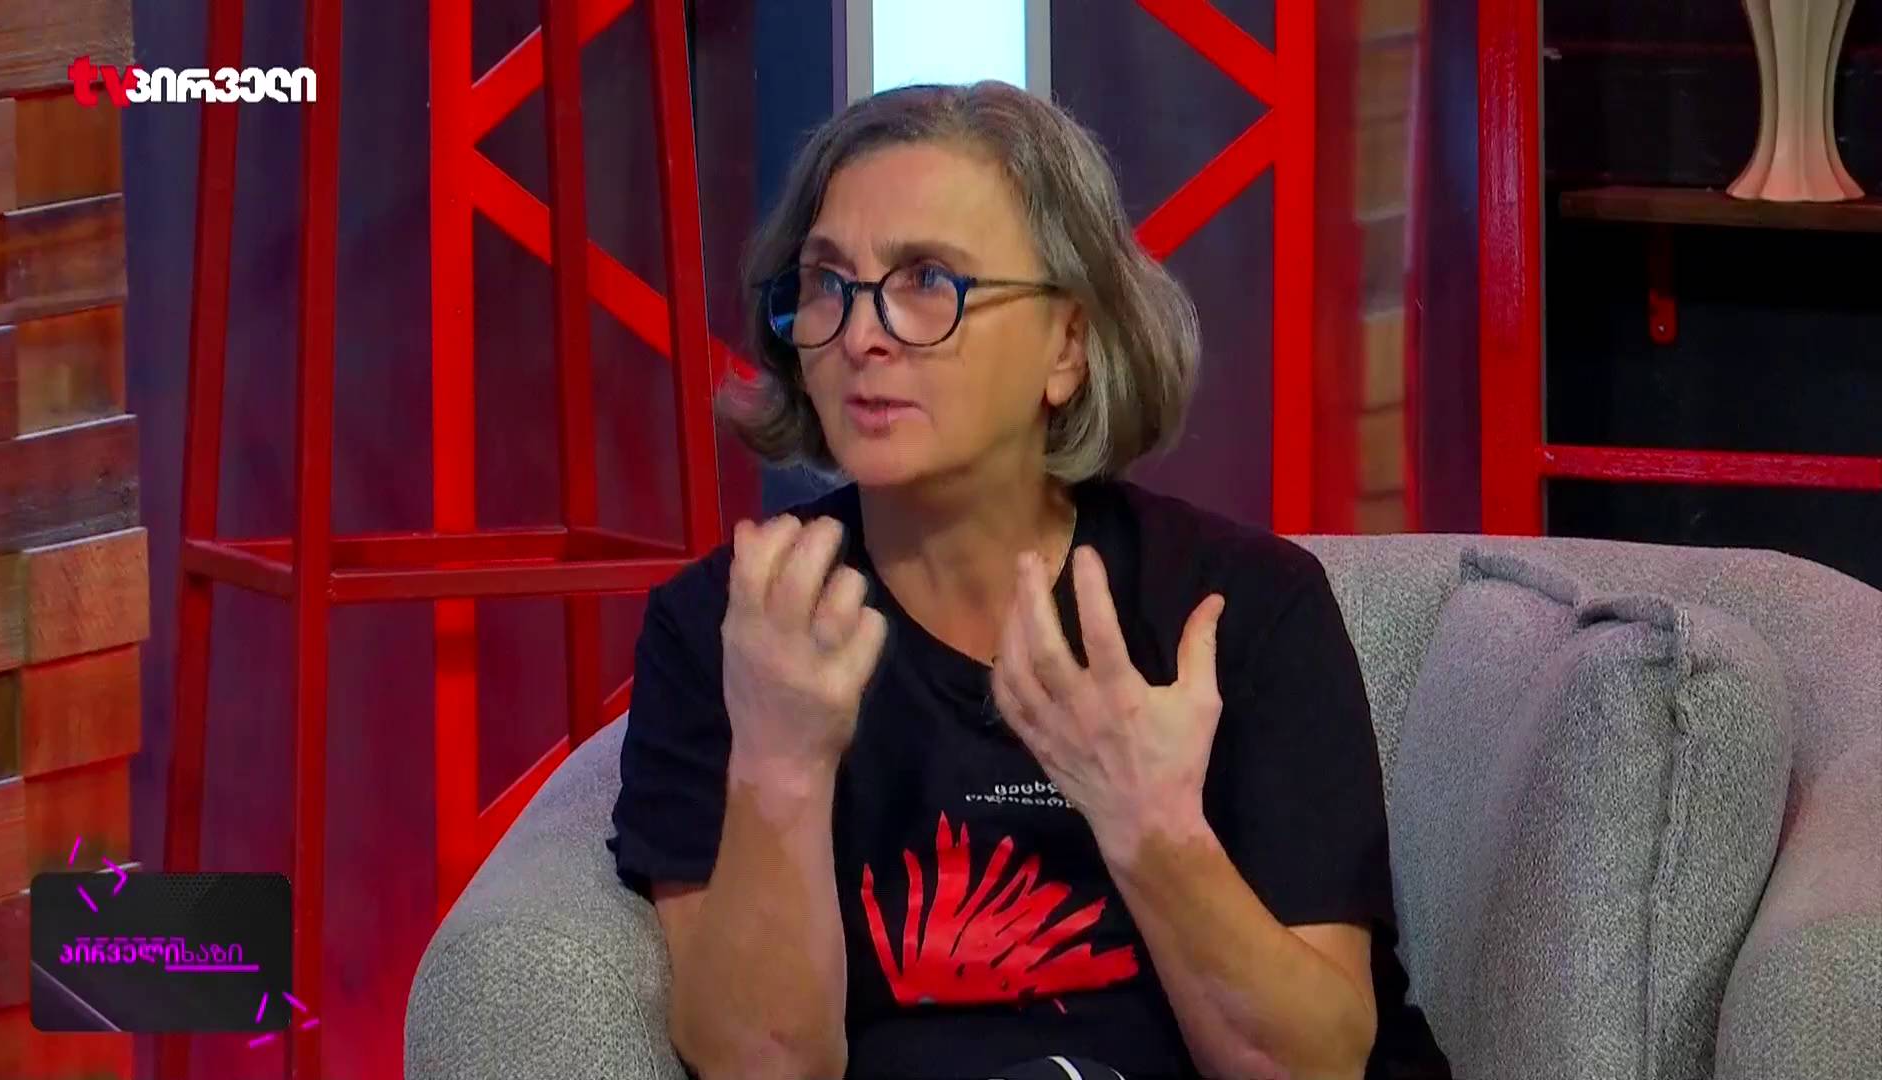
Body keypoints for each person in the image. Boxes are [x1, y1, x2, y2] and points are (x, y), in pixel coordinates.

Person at [608, 81, 1448, 1080]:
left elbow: (1311, 1066)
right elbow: (764, 1066)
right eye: (828, 282)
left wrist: (1151, 828)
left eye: (928, 279)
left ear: (1068, 345)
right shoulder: (732, 627)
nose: (862, 334)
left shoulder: (1243, 612)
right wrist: (778, 765)